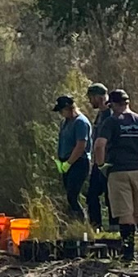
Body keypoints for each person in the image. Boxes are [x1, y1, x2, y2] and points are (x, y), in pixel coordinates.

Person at [90, 88, 138, 262]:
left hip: (118, 172)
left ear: (113, 104)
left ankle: (128, 253)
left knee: (125, 214)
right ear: (127, 102)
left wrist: (102, 166)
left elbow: (99, 145)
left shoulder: (111, 121)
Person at [52, 95, 97, 228]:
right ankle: (73, 224)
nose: (61, 114)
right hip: (66, 162)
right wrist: (60, 161)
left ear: (68, 108)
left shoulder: (80, 122)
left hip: (78, 163)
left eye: (62, 111)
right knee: (69, 196)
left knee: (73, 195)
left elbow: (80, 145)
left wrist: (69, 163)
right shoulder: (65, 122)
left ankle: (82, 225)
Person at [82, 83, 112, 230]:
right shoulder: (100, 114)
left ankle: (115, 227)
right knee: (92, 195)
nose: (90, 101)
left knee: (110, 196)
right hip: (98, 162)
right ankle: (96, 226)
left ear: (99, 97)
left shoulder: (111, 115)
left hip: (109, 162)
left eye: (91, 98)